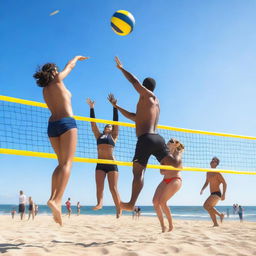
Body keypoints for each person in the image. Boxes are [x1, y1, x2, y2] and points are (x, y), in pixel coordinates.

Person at [109, 56, 181, 212]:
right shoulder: (155, 104)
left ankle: (130, 203)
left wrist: (121, 68)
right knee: (173, 164)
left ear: (145, 86)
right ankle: (178, 154)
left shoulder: (146, 95)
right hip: (157, 139)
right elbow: (132, 116)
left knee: (138, 172)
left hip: (145, 139)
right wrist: (116, 106)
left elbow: (134, 81)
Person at [33, 55, 89, 226]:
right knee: (67, 164)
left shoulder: (45, 90)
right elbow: (70, 66)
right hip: (66, 123)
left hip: (52, 126)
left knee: (60, 164)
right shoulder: (57, 79)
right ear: (54, 71)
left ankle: (52, 198)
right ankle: (57, 200)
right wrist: (77, 58)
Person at [86, 95, 121, 218]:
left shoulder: (114, 136)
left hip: (112, 164)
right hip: (100, 164)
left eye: (109, 126)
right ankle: (100, 203)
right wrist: (91, 108)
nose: (108, 127)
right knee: (99, 186)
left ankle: (118, 208)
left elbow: (116, 122)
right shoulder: (98, 135)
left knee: (113, 188)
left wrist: (114, 107)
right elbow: (93, 124)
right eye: (106, 126)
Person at [153, 138, 184, 232]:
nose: (169, 142)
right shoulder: (164, 156)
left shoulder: (177, 154)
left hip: (176, 179)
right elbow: (161, 172)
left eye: (172, 141)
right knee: (155, 202)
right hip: (165, 180)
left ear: (175, 145)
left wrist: (167, 167)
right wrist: (166, 167)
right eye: (169, 141)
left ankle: (171, 225)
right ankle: (163, 226)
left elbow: (176, 165)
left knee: (162, 202)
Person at [200, 157, 227, 227]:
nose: (212, 161)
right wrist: (202, 189)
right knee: (209, 208)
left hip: (217, 193)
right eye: (212, 160)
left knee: (205, 206)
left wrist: (224, 194)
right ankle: (216, 223)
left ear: (216, 164)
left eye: (214, 161)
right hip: (212, 193)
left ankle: (220, 215)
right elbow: (206, 182)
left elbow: (224, 183)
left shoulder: (217, 173)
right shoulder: (208, 173)